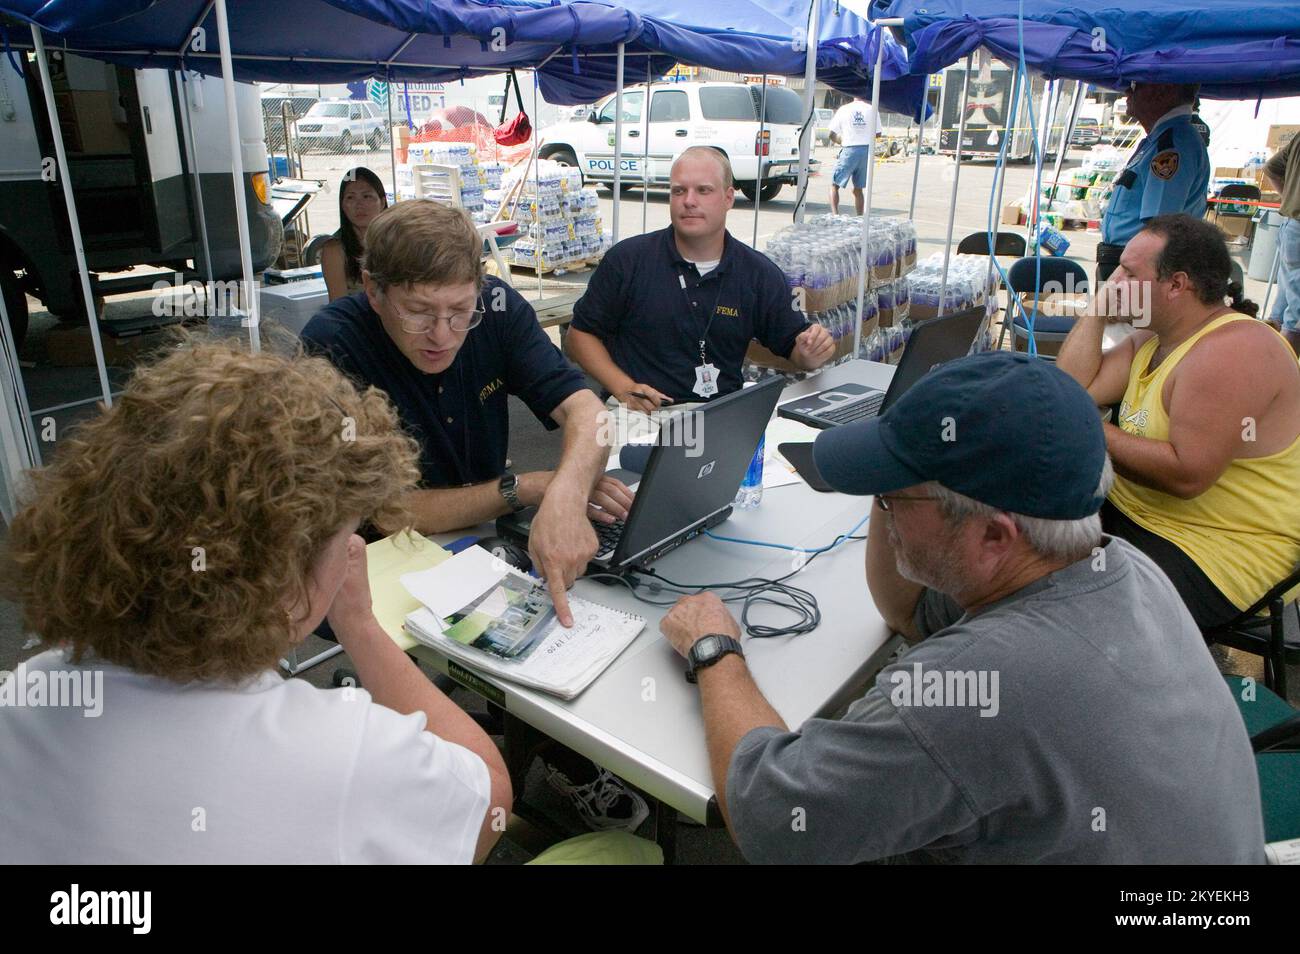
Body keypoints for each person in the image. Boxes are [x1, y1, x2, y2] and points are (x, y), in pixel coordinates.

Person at [658, 351, 1266, 863]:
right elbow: (906, 614)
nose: (882, 507)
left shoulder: (974, 687)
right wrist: (893, 473)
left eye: (894, 498)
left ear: (994, 537)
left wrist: (716, 649)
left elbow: (768, 818)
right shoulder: (1118, 566)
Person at [0, 343, 512, 863]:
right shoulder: (343, 753)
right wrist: (359, 625)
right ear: (286, 578)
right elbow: (488, 801)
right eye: (346, 535)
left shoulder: (29, 691)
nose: (354, 549)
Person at [302, 199, 648, 832]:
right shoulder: (331, 344)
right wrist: (529, 488)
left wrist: (568, 497)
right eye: (420, 312)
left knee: (574, 597)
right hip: (371, 562)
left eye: (459, 312)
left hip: (480, 531)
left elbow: (588, 411)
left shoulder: (495, 307)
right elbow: (391, 511)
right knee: (517, 615)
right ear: (374, 291)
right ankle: (448, 784)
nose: (443, 335)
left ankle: (554, 754)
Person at [1057, 213, 1300, 629]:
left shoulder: (1234, 351)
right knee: (1013, 528)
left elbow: (1186, 475)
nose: (1116, 282)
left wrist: (1087, 425)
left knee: (1057, 606)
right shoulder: (1152, 338)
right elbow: (1072, 390)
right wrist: (1098, 308)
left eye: (1128, 273)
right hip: (1139, 517)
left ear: (1176, 284)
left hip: (1218, 550)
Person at [566, 147, 834, 412]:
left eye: (703, 190)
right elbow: (579, 336)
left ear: (728, 198)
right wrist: (624, 388)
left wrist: (810, 352)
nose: (689, 201)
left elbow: (795, 348)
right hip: (639, 414)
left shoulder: (758, 274)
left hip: (719, 415)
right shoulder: (627, 260)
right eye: (679, 190)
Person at [1096, 83, 1210, 283]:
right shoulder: (1161, 138)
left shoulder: (1173, 143)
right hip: (1127, 263)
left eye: (1135, 85)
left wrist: (1131, 274)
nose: (1127, 92)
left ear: (1162, 90)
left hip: (1137, 268)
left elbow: (1160, 226)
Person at [321, 167, 389, 301]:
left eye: (366, 196)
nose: (359, 205)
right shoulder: (334, 250)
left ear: (382, 202)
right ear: (343, 205)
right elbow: (338, 307)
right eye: (351, 198)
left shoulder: (397, 242)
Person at [1264, 132, 1300, 355]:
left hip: (1291, 224)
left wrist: (1288, 197)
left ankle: (1265, 359)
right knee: (1295, 317)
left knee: (1284, 302)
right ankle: (1276, 377)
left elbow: (1271, 168)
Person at [827, 96, 883, 216]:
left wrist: (841, 141)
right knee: (858, 189)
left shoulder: (844, 109)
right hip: (866, 151)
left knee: (834, 185)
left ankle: (835, 215)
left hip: (849, 149)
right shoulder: (872, 109)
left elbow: (831, 134)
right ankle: (860, 217)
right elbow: (878, 134)